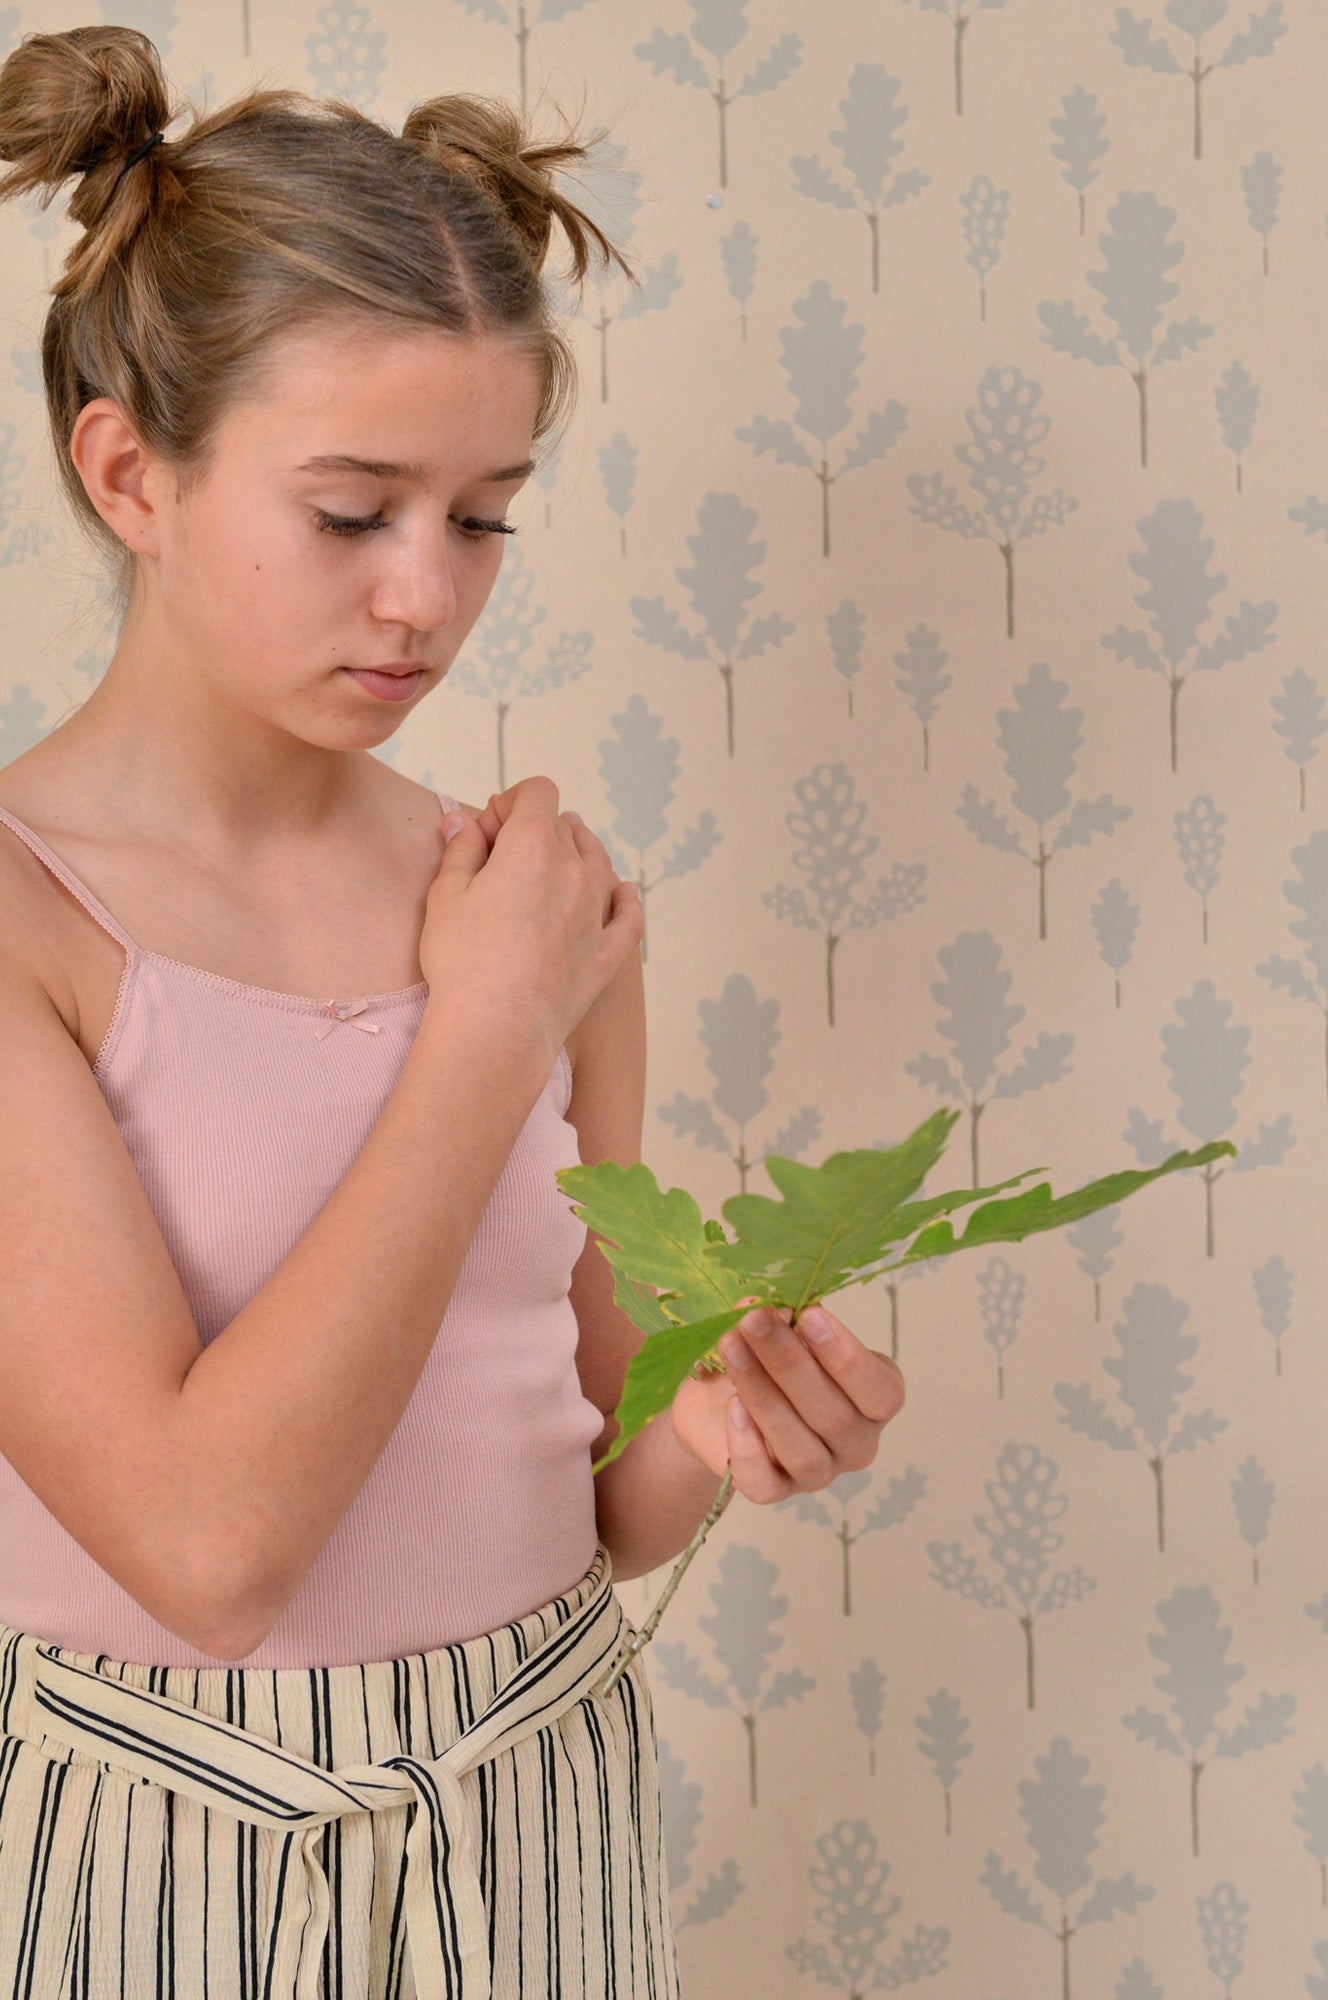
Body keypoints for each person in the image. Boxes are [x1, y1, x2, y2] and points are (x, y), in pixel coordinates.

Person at [0, 24, 906, 1996]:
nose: (426, 597)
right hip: (175, 1835)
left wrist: (732, 1415)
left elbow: (600, 1495)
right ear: (129, 470)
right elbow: (208, 1553)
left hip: (545, 1802)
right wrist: (483, 1035)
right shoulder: (35, 924)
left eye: (482, 515)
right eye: (352, 512)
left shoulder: (533, 898)